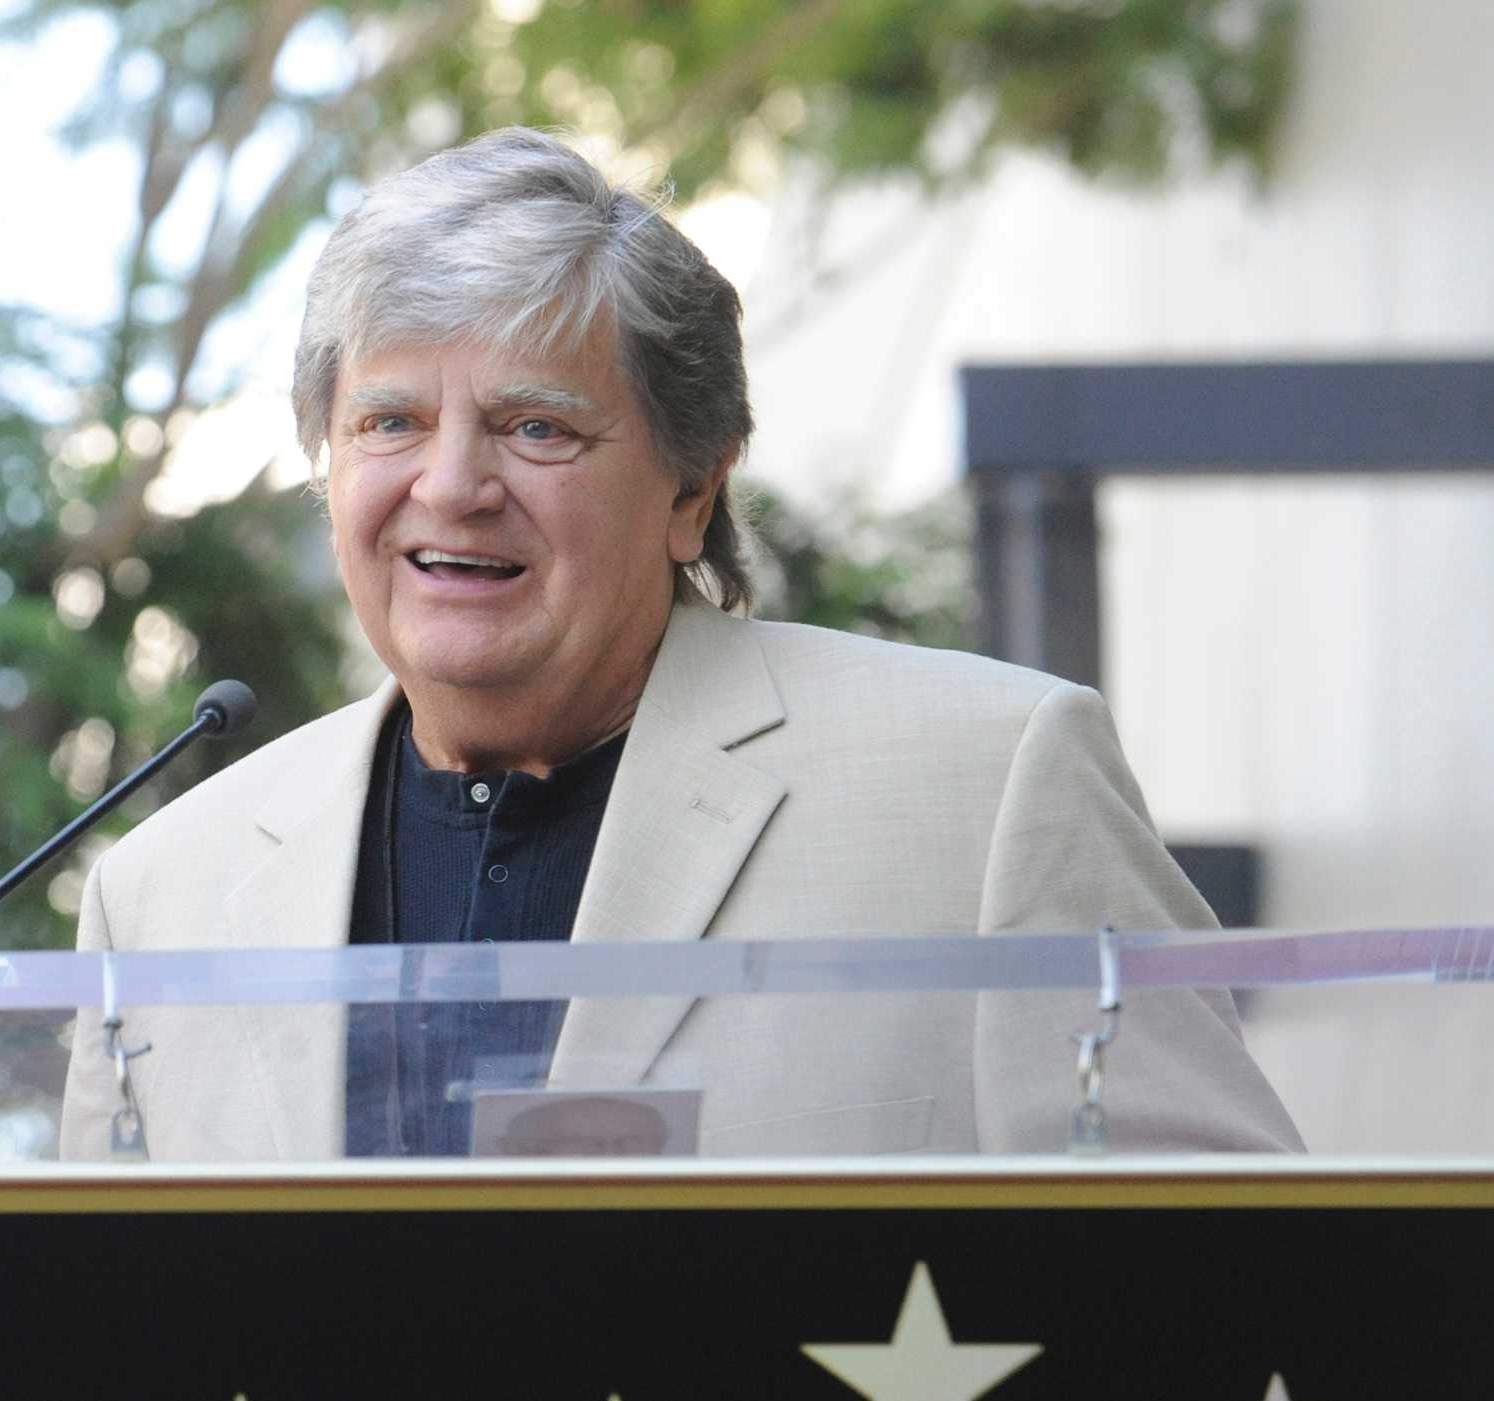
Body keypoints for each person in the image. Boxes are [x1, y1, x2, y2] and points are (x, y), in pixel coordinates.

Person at [64, 128, 1300, 1161]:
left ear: (692, 491)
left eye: (535, 427)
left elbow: (1226, 1277)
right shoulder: (165, 888)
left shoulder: (991, 784)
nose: (451, 485)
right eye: (388, 421)